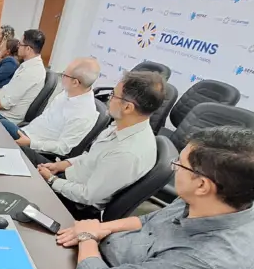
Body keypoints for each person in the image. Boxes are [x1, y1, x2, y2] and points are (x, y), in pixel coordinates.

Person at [57, 126, 254, 269]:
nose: (175, 168)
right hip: (101, 258)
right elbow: (147, 221)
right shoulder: (214, 201)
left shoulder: (206, 263)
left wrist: (87, 237)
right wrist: (100, 228)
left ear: (202, 185)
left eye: (180, 164)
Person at [36, 71, 166, 219]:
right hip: (68, 178)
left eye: (113, 95)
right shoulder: (123, 125)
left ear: (128, 108)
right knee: (22, 155)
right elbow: (92, 157)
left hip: (73, 203)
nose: (109, 99)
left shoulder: (126, 153)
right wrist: (62, 165)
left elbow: (87, 196)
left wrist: (51, 180)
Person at [0, 57, 100, 160]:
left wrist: (31, 142)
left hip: (34, 146)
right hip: (28, 131)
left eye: (64, 74)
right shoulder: (68, 92)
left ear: (75, 83)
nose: (62, 76)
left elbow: (62, 148)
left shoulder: (84, 114)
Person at [0, 29, 47, 124]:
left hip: (4, 118)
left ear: (28, 49)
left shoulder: (31, 72)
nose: (17, 46)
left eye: (20, 44)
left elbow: (4, 104)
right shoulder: (27, 65)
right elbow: (5, 89)